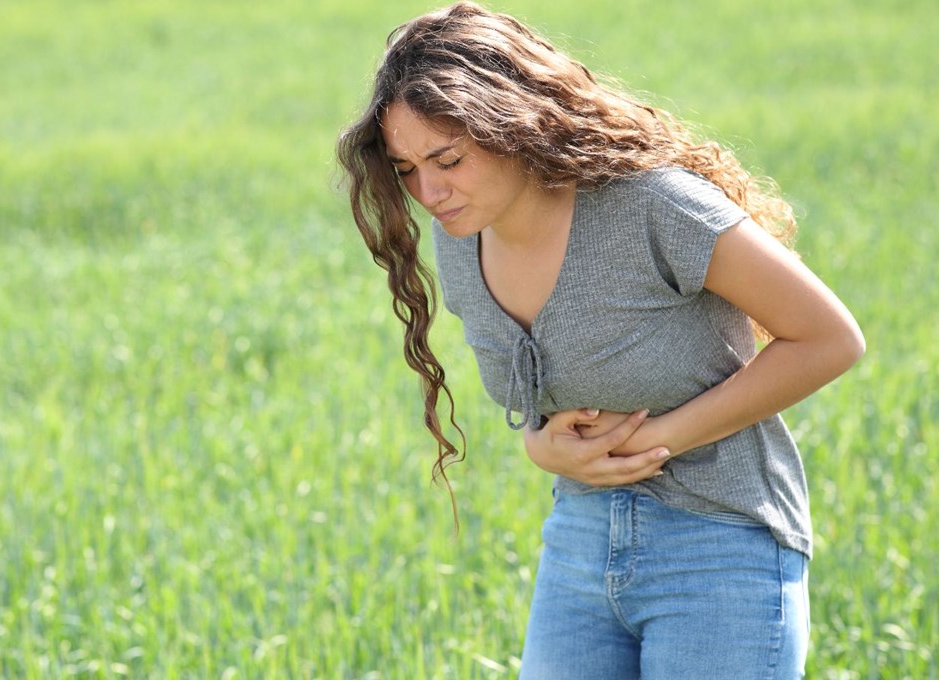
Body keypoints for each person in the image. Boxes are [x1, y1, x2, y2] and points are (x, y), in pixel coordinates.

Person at [337, 2, 865, 677]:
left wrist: (656, 439)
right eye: (406, 168)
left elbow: (829, 338)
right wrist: (541, 448)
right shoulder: (461, 237)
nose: (429, 191)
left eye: (448, 159)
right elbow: (549, 412)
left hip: (723, 548)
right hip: (578, 547)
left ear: (514, 125)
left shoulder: (657, 206)